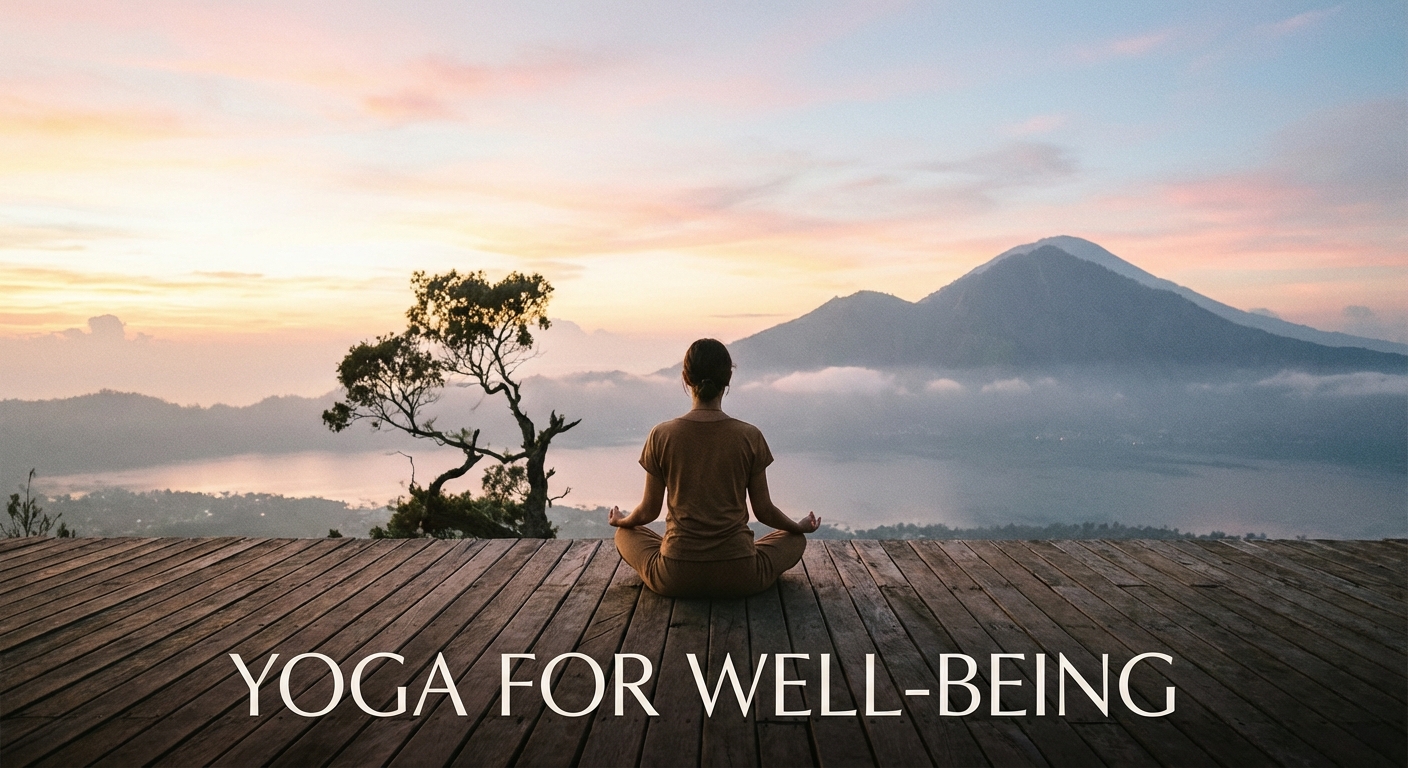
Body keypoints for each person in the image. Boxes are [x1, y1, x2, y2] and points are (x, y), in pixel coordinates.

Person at [609, 338, 820, 598]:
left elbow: (648, 511)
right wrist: (798, 527)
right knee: (795, 540)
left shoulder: (661, 435)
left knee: (624, 535)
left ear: (686, 378)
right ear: (728, 379)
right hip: (741, 574)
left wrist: (621, 520)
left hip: (675, 575)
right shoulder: (749, 436)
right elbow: (764, 511)